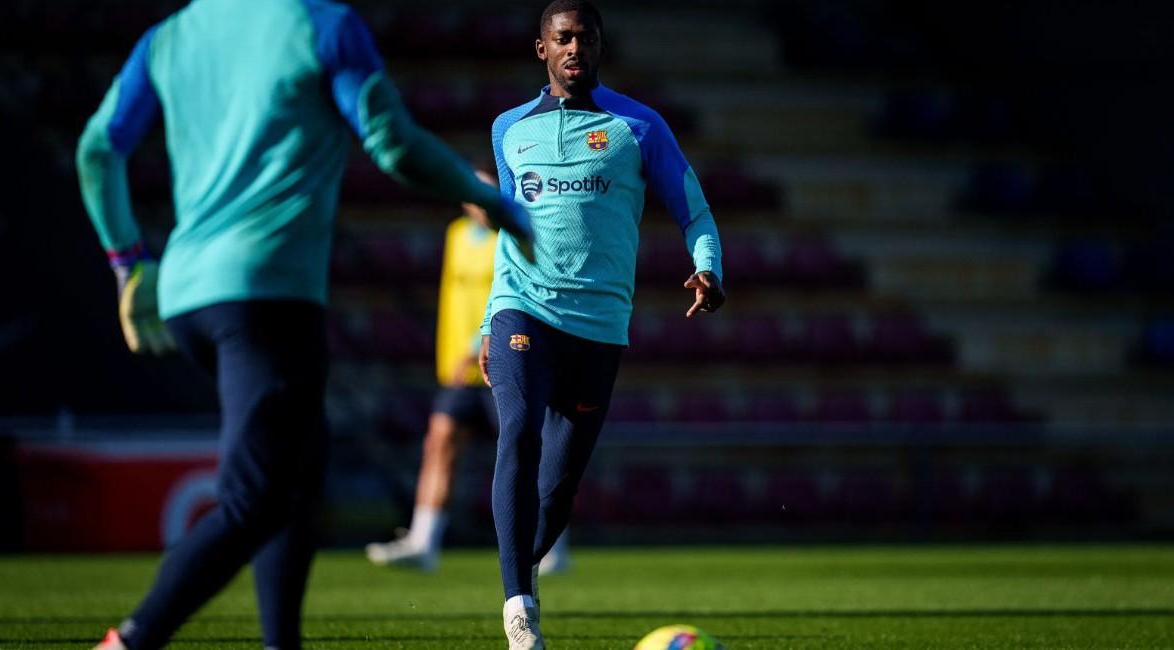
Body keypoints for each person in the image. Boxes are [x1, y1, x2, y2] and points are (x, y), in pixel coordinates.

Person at [77, 1, 531, 648]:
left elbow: (98, 148)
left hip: (186, 294)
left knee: (298, 475)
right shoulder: (322, 24)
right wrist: (492, 201)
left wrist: (127, 263)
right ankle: (131, 639)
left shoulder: (167, 37)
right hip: (265, 294)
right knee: (255, 496)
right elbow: (394, 144)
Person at [481, 1, 725, 647]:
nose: (574, 49)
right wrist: (487, 322)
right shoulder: (509, 128)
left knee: (557, 492)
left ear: (600, 47)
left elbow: (694, 212)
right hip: (523, 310)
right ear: (542, 48)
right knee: (518, 430)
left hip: (598, 325)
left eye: (585, 39)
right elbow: (509, 235)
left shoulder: (639, 127)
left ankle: (523, 573)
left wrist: (707, 269)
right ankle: (518, 608)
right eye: (562, 39)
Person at [364, 170, 571, 574]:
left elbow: (520, 290)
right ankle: (423, 541)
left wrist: (480, 342)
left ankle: (552, 545)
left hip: (502, 361)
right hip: (458, 373)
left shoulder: (512, 235)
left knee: (526, 453)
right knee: (440, 440)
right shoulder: (456, 235)